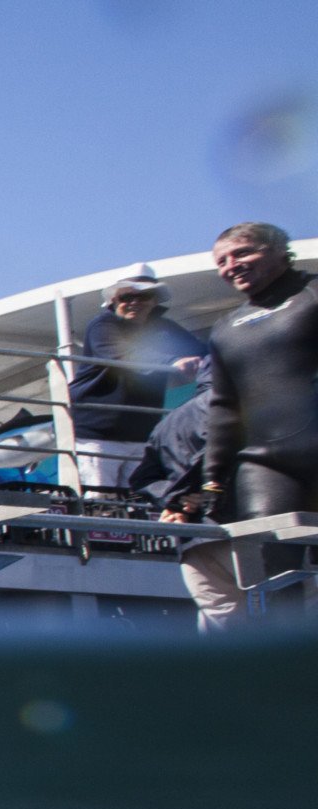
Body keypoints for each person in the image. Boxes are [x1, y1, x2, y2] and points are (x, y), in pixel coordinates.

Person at [170, 222, 317, 630]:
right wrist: (213, 481)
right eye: (222, 261)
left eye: (243, 253)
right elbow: (223, 408)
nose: (231, 266)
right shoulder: (226, 327)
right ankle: (283, 668)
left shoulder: (313, 294)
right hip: (267, 462)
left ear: (279, 250)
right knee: (271, 570)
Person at [66, 266, 209, 491]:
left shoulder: (164, 328)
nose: (135, 302)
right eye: (127, 296)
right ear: (113, 300)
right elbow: (125, 355)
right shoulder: (102, 326)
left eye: (144, 296)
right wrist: (172, 362)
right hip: (99, 434)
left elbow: (203, 352)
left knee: (138, 502)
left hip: (141, 433)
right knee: (100, 501)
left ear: (154, 301)